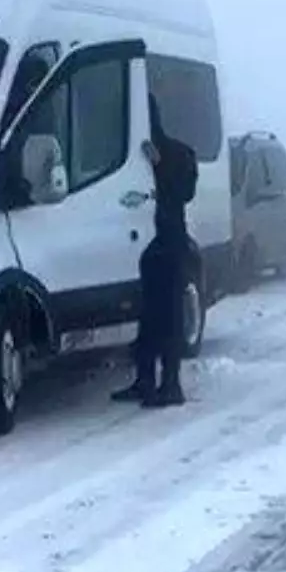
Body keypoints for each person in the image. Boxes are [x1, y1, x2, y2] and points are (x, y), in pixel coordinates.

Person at [113, 99, 199, 408]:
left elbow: (183, 193)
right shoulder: (130, 155)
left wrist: (159, 165)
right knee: (147, 315)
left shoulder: (178, 154)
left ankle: (171, 383)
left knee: (170, 315)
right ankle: (145, 379)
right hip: (144, 244)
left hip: (169, 242)